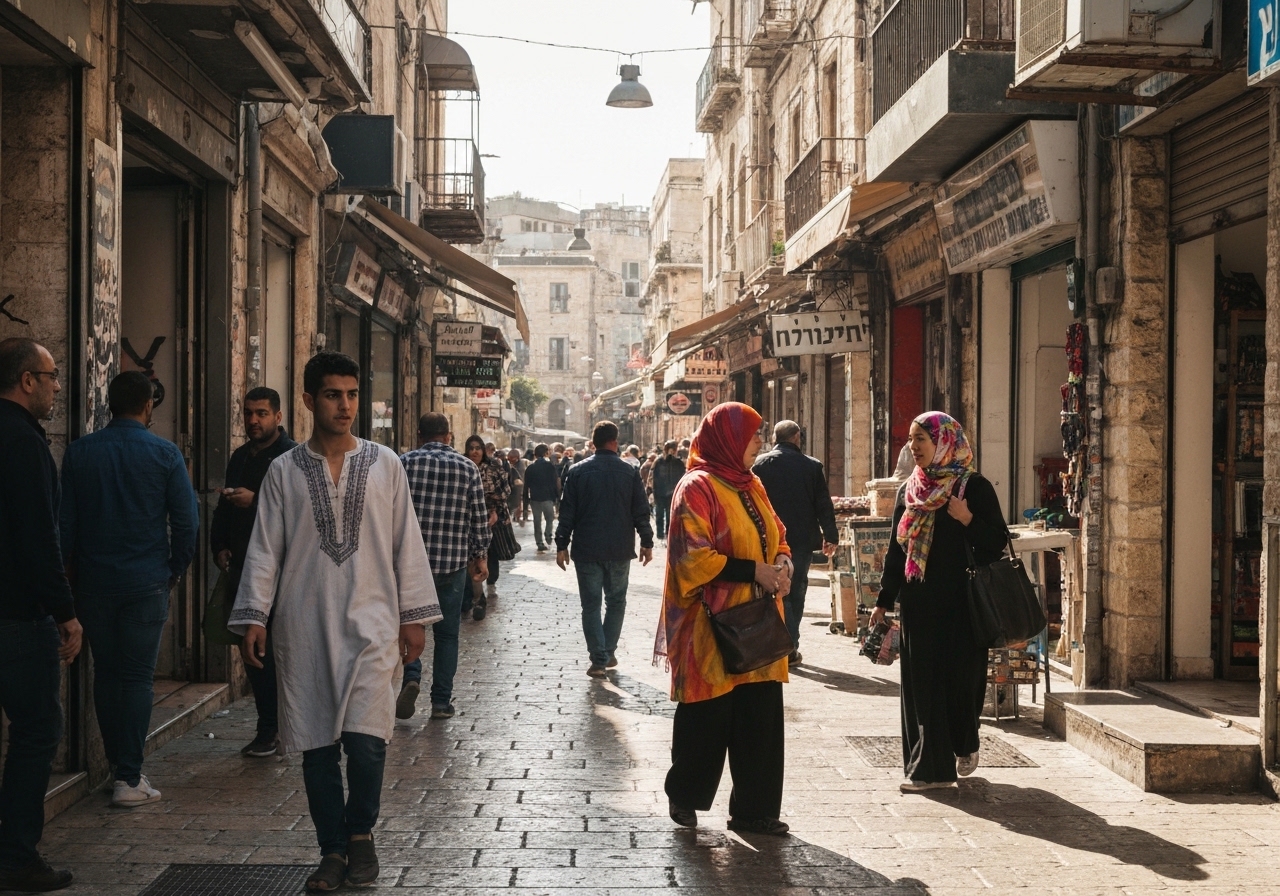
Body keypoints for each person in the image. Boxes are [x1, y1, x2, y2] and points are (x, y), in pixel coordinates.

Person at [229, 352, 441, 891]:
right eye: (332, 394)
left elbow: (405, 544)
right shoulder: (283, 471)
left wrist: (413, 618)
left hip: (372, 625)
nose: (345, 405)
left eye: (351, 394)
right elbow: (265, 550)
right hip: (303, 626)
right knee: (317, 745)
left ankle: (361, 836)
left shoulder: (386, 464)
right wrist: (254, 615)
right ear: (308, 400)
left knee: (368, 743)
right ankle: (331, 849)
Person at [60, 370, 199, 810]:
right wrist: (174, 569)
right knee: (138, 677)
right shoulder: (165, 453)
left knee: (106, 673)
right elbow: (187, 522)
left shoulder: (79, 453)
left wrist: (68, 580)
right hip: (146, 582)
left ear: (109, 405)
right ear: (148, 406)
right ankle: (128, 776)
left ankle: (118, 767)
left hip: (94, 585)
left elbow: (65, 527)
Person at [653, 402, 793, 837]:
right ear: (729, 438)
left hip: (760, 624)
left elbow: (778, 534)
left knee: (760, 720)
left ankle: (754, 811)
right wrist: (756, 571)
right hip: (709, 627)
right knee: (707, 718)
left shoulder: (752, 485)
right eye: (752, 434)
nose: (759, 441)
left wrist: (784, 563)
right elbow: (690, 556)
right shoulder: (696, 487)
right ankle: (686, 797)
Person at [868, 412, 1008, 793]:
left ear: (944, 442)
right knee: (923, 685)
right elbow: (898, 551)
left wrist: (966, 520)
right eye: (911, 440)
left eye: (921, 440)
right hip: (920, 603)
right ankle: (929, 770)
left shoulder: (973, 488)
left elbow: (996, 542)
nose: (914, 447)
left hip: (963, 604)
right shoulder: (910, 491)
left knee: (964, 684)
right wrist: (884, 600)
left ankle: (965, 739)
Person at [0, 338, 82, 892]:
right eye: (51, 376)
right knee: (37, 731)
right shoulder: (24, 442)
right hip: (17, 616)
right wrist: (65, 613)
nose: (56, 387)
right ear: (27, 380)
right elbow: (38, 539)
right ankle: (17, 857)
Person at [210, 387, 297, 758]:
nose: (253, 420)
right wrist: (220, 545)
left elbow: (300, 513)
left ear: (278, 416)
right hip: (246, 567)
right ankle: (269, 729)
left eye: (261, 413)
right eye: (248, 413)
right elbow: (224, 509)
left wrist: (256, 500)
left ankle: (290, 726)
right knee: (254, 651)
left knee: (286, 653)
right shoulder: (241, 456)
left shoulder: (294, 458)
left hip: (287, 572)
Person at [395, 414, 491, 721]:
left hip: (410, 566)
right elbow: (478, 517)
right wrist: (480, 556)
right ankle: (440, 702)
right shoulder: (467, 467)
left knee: (409, 625)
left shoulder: (403, 463)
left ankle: (411, 675)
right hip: (451, 564)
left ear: (420, 434)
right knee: (448, 635)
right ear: (449, 436)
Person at [555, 421, 654, 677]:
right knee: (616, 601)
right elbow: (640, 510)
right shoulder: (628, 471)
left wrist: (561, 544)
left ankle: (599, 658)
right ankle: (607, 653)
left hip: (587, 548)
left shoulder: (576, 471)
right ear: (615, 441)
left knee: (590, 605)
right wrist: (646, 541)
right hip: (619, 547)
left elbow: (567, 512)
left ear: (593, 441)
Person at [752, 421, 839, 665]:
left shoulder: (760, 465)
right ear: (797, 437)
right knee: (796, 590)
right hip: (800, 541)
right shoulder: (811, 466)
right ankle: (790, 646)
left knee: (773, 589)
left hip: (769, 540)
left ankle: (778, 645)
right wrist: (831, 535)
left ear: (775, 437)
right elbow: (823, 503)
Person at [464, 436, 514, 619]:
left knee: (489, 554)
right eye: (471, 448)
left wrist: (493, 507)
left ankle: (487, 585)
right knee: (472, 558)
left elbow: (506, 490)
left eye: (478, 448)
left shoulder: (494, 467)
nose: (475, 451)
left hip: (492, 518)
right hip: (469, 520)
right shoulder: (463, 466)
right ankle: (477, 597)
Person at [523, 443, 560, 553]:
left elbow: (526, 486)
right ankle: (548, 535)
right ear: (546, 453)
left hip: (535, 499)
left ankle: (539, 542)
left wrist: (525, 504)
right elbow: (555, 483)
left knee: (537, 521)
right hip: (548, 498)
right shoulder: (550, 466)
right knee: (550, 519)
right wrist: (558, 498)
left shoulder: (530, 468)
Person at [649, 440, 686, 544]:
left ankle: (665, 533)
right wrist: (651, 490)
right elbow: (652, 476)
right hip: (664, 492)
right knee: (662, 513)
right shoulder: (659, 461)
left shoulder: (677, 462)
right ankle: (662, 533)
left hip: (669, 492)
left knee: (667, 514)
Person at [506, 448, 526, 524]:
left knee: (517, 503)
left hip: (517, 488)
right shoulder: (514, 464)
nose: (509, 460)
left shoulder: (519, 466)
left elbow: (519, 478)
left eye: (511, 458)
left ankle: (517, 516)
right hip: (513, 487)